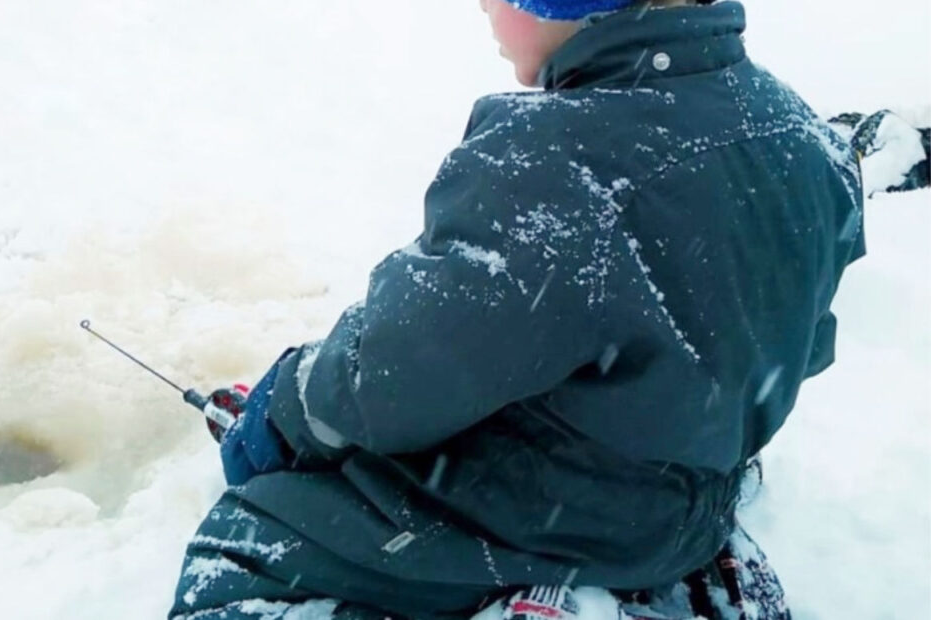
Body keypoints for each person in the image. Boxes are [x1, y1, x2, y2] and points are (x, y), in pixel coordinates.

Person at [169, 1, 869, 618]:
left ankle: (530, 599)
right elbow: (806, 346)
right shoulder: (796, 130)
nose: (479, 5)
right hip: (693, 503)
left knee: (244, 550)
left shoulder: (553, 165)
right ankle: (667, 581)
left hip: (557, 514)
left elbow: (393, 376)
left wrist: (287, 410)